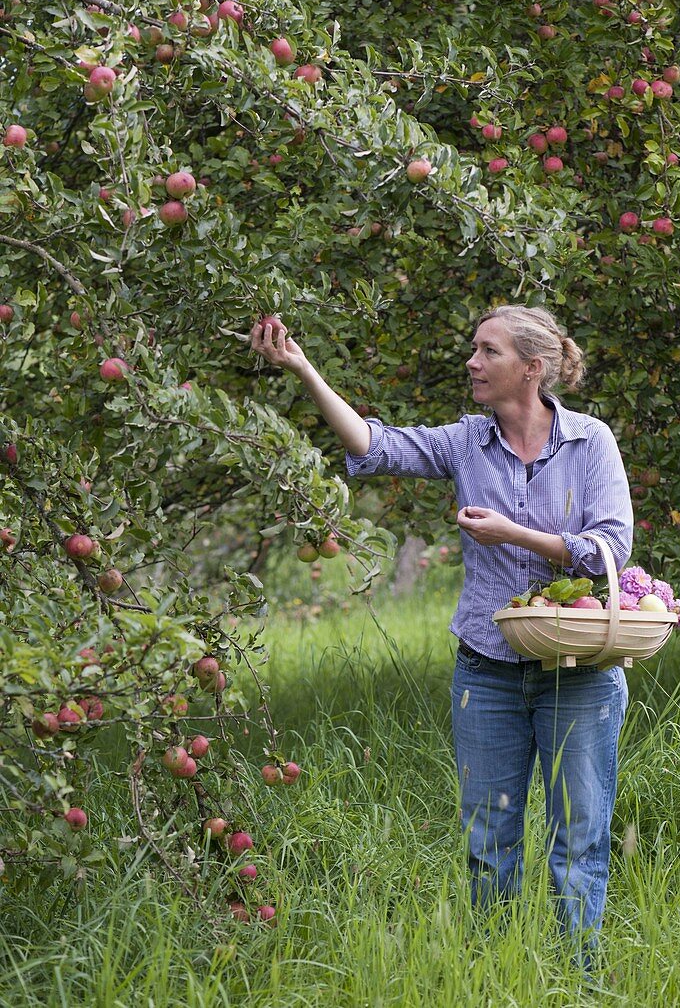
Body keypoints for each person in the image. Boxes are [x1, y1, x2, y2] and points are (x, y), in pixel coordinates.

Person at [251, 304, 633, 970]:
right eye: (474, 349)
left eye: (488, 351)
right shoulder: (466, 442)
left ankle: (580, 979)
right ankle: (492, 971)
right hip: (487, 671)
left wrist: (512, 535)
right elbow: (374, 447)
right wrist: (302, 368)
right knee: (489, 840)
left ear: (530, 369)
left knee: (581, 836)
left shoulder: (589, 442)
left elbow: (611, 547)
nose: (472, 362)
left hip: (579, 667)